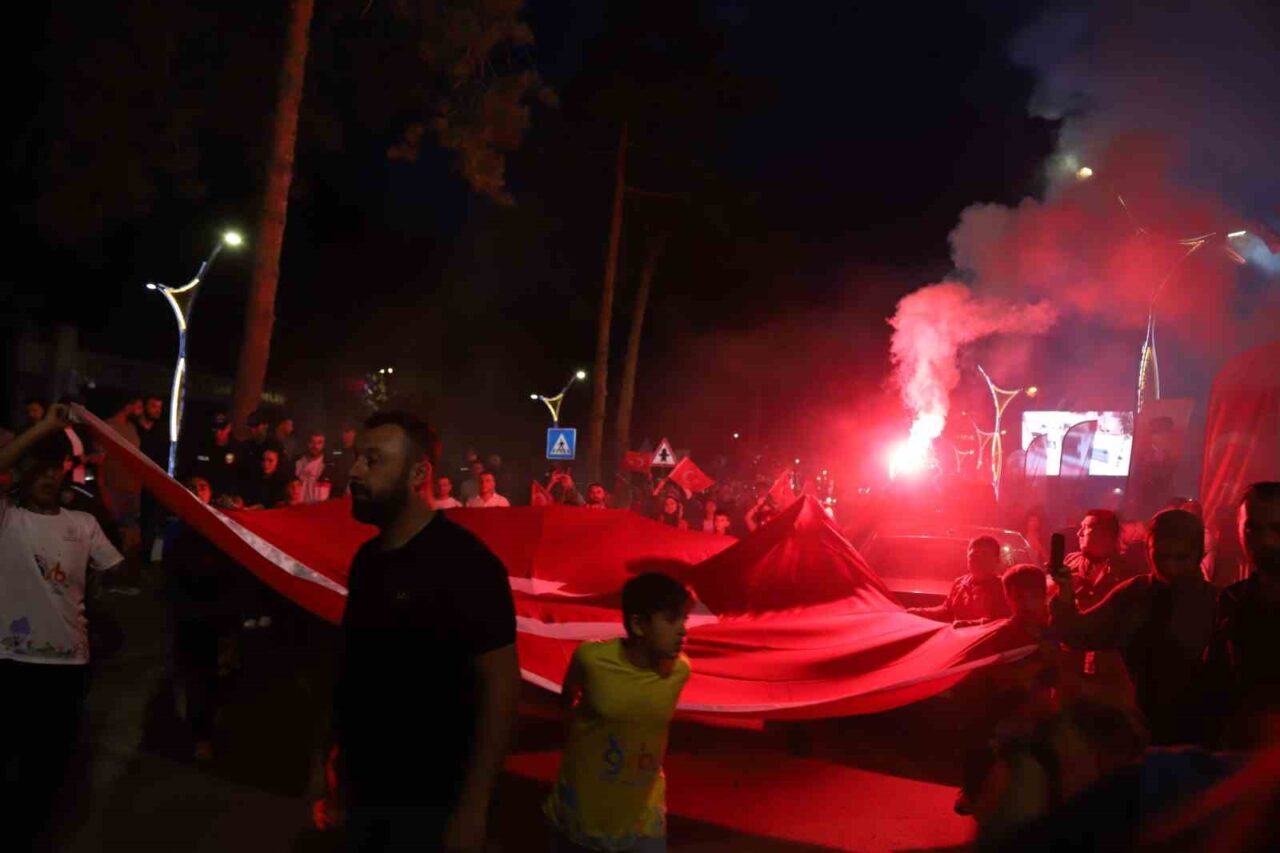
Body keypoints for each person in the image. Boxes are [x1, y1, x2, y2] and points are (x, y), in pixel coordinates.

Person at [322, 411, 519, 851]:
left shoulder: (469, 566)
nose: (354, 471)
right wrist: (327, 762)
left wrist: (474, 807)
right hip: (364, 795)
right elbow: (351, 669)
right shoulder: (366, 560)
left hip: (432, 804)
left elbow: (501, 688)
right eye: (356, 458)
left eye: (372, 460)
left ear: (417, 474)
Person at [0, 405, 124, 844]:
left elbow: (118, 573)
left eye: (57, 470)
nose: (49, 478)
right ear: (23, 474)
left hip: (68, 666)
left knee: (48, 770)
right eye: (40, 470)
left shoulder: (84, 524)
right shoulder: (8, 519)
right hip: (11, 661)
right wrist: (45, 428)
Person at [545, 573, 693, 852]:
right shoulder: (592, 659)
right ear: (638, 624)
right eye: (672, 619)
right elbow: (567, 698)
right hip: (584, 812)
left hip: (643, 817)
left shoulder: (680, 671)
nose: (683, 630)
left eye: (684, 619)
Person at [1049, 508, 1217, 745]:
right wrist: (1065, 592)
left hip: (1197, 737)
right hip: (1134, 731)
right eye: (1161, 556)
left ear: (1199, 554)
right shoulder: (1135, 593)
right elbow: (1078, 633)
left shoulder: (1217, 603)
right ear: (1149, 553)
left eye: (1181, 558)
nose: (1170, 567)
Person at [1205, 482, 1280, 748]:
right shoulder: (1231, 600)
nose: (1266, 540)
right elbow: (1214, 687)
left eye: (1277, 528)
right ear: (1239, 530)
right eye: (1253, 528)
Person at [908, 536, 1010, 623]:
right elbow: (947, 611)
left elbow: (1000, 623)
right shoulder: (960, 583)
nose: (977, 559)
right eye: (973, 555)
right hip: (958, 642)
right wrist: (919, 613)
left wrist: (967, 625)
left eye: (984, 554)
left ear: (997, 560)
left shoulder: (1005, 588)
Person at [187, 411, 239, 500]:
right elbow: (194, 470)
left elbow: (239, 477)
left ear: (229, 428)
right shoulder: (203, 447)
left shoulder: (237, 449)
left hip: (226, 497)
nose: (218, 432)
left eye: (222, 429)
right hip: (203, 495)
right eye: (215, 428)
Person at [295, 431, 330, 504]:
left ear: (324, 444)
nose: (315, 446)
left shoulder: (328, 466)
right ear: (307, 443)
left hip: (317, 509)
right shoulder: (297, 463)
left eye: (319, 442)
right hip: (298, 508)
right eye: (312, 442)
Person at [328, 424, 358, 499]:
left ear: (354, 434)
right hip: (335, 488)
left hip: (350, 488)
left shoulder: (358, 451)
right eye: (345, 432)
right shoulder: (336, 449)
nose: (347, 436)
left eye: (350, 432)